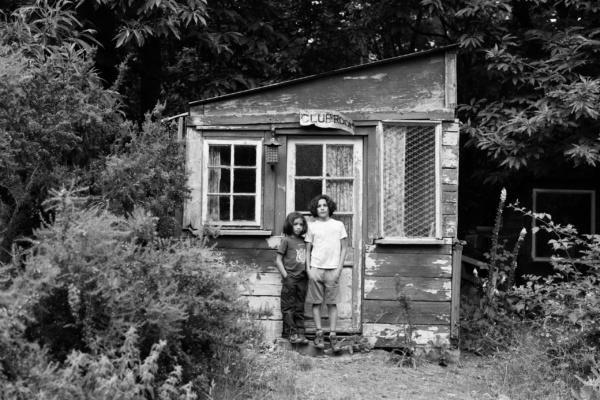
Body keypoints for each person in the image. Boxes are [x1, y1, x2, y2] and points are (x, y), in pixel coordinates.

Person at [305, 194, 347, 351]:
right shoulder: (312, 226)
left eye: (324, 205)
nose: (322, 208)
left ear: (329, 207)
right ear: (315, 209)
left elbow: (344, 248)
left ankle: (333, 335)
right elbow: (308, 250)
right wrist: (309, 270)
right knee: (316, 303)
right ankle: (319, 334)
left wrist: (339, 269)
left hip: (332, 270)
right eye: (319, 206)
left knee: (331, 303)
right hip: (316, 269)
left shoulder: (338, 225)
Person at [275, 212, 310, 344]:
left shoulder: (304, 241)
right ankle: (291, 332)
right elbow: (278, 260)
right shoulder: (286, 240)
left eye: (301, 224)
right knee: (288, 306)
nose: (298, 227)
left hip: (302, 278)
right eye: (295, 224)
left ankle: (301, 333)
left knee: (300, 306)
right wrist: (286, 276)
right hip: (290, 278)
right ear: (290, 224)